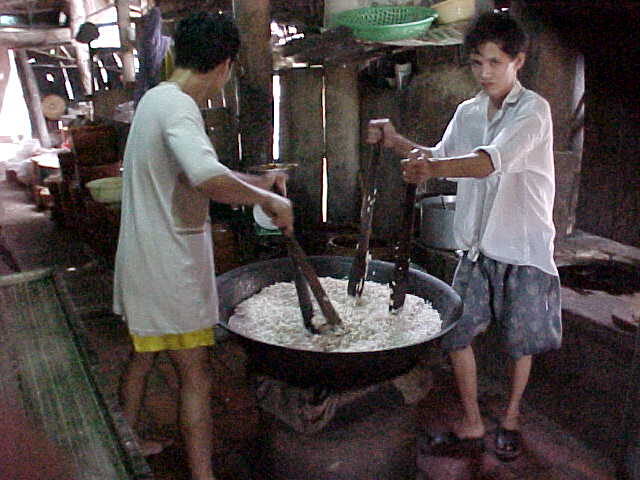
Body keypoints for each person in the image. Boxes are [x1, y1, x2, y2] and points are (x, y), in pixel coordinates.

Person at [367, 12, 561, 461]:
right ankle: (473, 422)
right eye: (477, 62)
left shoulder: (534, 111)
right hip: (476, 246)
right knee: (453, 333)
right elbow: (440, 156)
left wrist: (431, 168)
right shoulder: (469, 112)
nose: (486, 72)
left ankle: (511, 417)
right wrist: (397, 141)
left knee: (521, 341)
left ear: (519, 61)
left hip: (523, 245)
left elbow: (489, 162)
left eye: (496, 62)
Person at [113, 12, 293, 480]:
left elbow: (197, 170)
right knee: (196, 374)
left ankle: (120, 449)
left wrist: (255, 182)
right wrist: (268, 197)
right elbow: (206, 176)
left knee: (143, 357)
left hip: (144, 262)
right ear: (225, 65)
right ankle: (202, 474)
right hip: (170, 270)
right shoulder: (180, 109)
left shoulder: (157, 99)